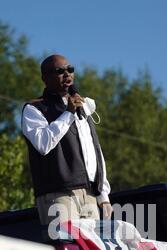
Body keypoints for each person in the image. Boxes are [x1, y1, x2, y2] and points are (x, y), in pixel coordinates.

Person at [21, 54, 112, 228]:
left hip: (90, 196)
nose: (67, 74)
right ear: (45, 78)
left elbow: (95, 153)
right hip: (58, 195)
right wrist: (68, 114)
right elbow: (43, 144)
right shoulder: (35, 108)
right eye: (59, 71)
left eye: (70, 70)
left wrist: (103, 195)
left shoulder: (81, 107)